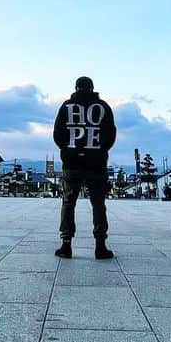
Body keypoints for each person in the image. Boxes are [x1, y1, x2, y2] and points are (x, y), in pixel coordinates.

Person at [52, 76, 117, 259]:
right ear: (92, 88)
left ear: (76, 88)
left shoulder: (66, 106)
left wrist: (69, 150)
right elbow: (110, 135)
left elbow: (58, 134)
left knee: (68, 203)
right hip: (96, 164)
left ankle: (66, 245)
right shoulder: (103, 107)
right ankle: (100, 245)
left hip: (72, 163)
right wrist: (99, 151)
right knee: (98, 204)